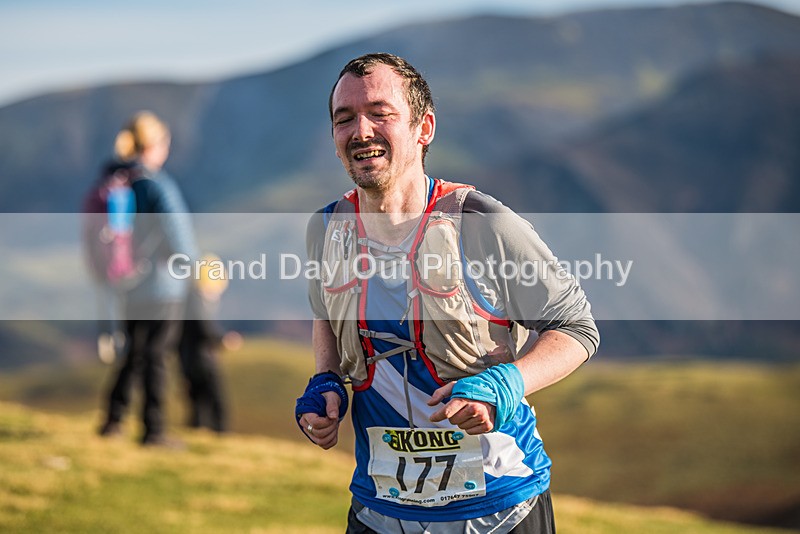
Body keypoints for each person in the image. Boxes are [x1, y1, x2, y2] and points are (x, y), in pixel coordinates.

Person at [296, 53, 599, 533]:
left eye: (380, 113)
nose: (361, 131)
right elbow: (325, 313)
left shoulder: (478, 222)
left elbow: (576, 328)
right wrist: (325, 382)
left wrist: (505, 386)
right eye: (345, 118)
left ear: (424, 128)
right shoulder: (328, 228)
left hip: (500, 510)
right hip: (381, 512)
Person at [98, 111, 198, 446]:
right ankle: (154, 430)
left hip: (128, 282)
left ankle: (113, 419)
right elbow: (177, 237)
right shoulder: (157, 184)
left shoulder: (120, 181)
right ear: (156, 144)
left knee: (133, 352)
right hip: (161, 284)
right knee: (156, 355)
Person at [178, 254, 241, 434]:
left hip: (188, 359)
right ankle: (219, 435)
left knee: (197, 403)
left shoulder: (187, 299)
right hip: (202, 360)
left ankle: (198, 434)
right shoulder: (197, 300)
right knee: (216, 402)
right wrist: (222, 340)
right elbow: (203, 328)